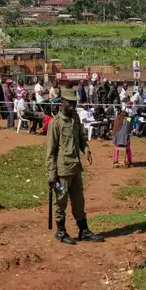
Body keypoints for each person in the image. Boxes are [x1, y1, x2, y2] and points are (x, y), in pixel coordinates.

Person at [46, 90, 105, 245]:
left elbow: (81, 138)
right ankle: (61, 231)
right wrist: (51, 175)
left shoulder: (76, 119)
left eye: (74, 103)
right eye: (70, 103)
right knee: (61, 201)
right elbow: (50, 152)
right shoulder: (55, 123)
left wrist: (86, 150)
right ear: (62, 102)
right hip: (62, 170)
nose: (73, 106)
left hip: (76, 168)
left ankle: (83, 230)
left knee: (79, 201)